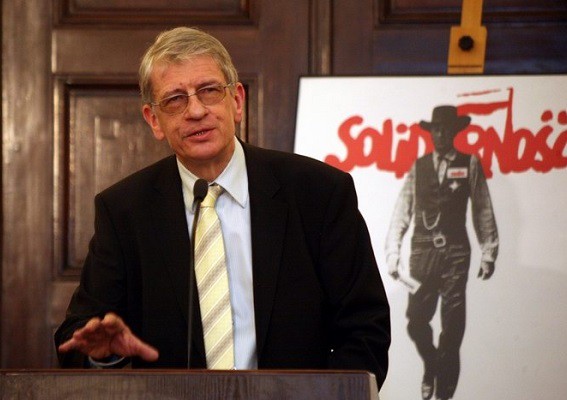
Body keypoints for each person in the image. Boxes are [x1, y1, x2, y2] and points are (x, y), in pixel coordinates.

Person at [54, 26, 391, 387]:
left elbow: (365, 329)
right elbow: (78, 336)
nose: (196, 111)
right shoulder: (125, 211)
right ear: (154, 120)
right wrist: (103, 354)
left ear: (237, 101)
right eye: (175, 99)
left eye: (209, 91)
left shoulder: (319, 193)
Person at [385, 105, 499, 400]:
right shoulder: (419, 166)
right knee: (416, 321)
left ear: (455, 132)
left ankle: (445, 391)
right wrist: (393, 253)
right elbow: (402, 211)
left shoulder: (469, 163)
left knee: (452, 323)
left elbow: (483, 208)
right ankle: (432, 364)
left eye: (446, 129)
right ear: (431, 132)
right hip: (422, 252)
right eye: (436, 129)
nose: (441, 134)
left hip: (456, 252)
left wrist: (489, 251)